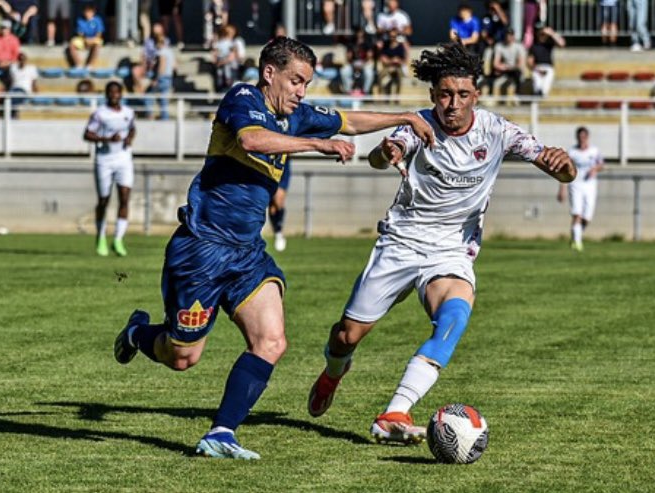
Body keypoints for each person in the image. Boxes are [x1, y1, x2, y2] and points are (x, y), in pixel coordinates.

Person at [112, 36, 434, 460]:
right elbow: (252, 141)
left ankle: (221, 433)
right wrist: (318, 145)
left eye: (307, 83)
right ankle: (138, 332)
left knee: (271, 341)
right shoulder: (242, 98)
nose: (302, 92)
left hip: (246, 253)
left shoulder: (295, 115)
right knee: (182, 357)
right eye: (296, 81)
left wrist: (406, 117)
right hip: (201, 249)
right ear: (270, 74)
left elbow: (347, 121)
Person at [307, 41, 576, 444]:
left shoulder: (498, 130)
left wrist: (564, 165)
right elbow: (383, 156)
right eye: (445, 94)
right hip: (402, 241)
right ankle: (333, 372)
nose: (453, 103)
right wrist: (387, 151)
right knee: (346, 336)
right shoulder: (417, 124)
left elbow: (562, 171)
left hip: (452, 249)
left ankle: (395, 410)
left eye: (462, 95)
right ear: (433, 95)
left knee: (453, 319)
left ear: (476, 96)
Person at [83, 81, 136, 257]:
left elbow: (132, 129)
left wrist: (129, 138)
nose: (114, 95)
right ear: (106, 94)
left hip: (124, 159)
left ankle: (118, 239)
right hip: (104, 160)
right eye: (111, 92)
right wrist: (106, 139)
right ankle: (100, 236)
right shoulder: (100, 114)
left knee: (124, 197)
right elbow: (87, 134)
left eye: (117, 92)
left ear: (121, 94)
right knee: (104, 200)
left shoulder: (128, 112)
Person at [557, 127, 603, 252]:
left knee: (587, 217)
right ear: (577, 138)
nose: (581, 139)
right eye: (579, 137)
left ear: (587, 137)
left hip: (590, 186)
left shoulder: (594, 151)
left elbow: (601, 164)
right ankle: (577, 243)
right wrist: (562, 189)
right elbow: (564, 171)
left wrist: (594, 169)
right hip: (575, 185)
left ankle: (576, 235)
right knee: (577, 213)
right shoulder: (572, 152)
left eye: (584, 137)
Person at [527, 22, 564, 97]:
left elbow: (562, 44)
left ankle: (541, 93)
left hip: (548, 67)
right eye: (540, 33)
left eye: (543, 33)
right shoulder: (534, 46)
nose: (542, 35)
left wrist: (552, 33)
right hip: (537, 68)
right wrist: (537, 70)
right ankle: (539, 92)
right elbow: (530, 62)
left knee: (548, 77)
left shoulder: (549, 43)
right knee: (537, 80)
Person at [145, 33, 173, 120]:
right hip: (169, 78)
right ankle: (165, 118)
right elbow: (175, 66)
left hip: (162, 78)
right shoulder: (170, 52)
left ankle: (150, 115)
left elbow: (162, 66)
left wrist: (156, 79)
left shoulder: (161, 52)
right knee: (163, 100)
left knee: (149, 96)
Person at [68, 3, 105, 69]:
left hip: (94, 39)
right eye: (86, 11)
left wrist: (93, 40)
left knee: (97, 45)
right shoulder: (80, 20)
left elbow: (99, 33)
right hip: (83, 39)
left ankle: (89, 65)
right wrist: (85, 40)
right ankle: (78, 65)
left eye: (90, 11)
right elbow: (80, 33)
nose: (88, 13)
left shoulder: (97, 20)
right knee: (72, 44)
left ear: (93, 12)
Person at [491, 28, 525, 98]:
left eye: (511, 35)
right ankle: (493, 98)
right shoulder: (499, 46)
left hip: (515, 71)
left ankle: (517, 96)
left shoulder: (519, 46)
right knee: (494, 77)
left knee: (518, 74)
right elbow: (495, 64)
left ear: (513, 36)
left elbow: (520, 64)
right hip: (505, 70)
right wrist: (503, 67)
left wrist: (509, 67)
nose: (509, 37)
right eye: (507, 35)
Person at [0, 19, 21, 87]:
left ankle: (13, 88)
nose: (4, 30)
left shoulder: (14, 40)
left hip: (10, 63)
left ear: (9, 29)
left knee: (14, 68)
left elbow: (16, 56)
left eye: (6, 28)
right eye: (2, 28)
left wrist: (8, 63)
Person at [268, 159, 291, 252]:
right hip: (266, 162)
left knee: (278, 200)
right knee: (271, 205)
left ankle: (279, 232)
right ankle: (277, 232)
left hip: (282, 163)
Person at [9, 51, 38, 117]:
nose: (22, 61)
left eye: (23, 59)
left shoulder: (31, 68)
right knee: (13, 94)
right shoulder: (13, 68)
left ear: (26, 60)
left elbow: (34, 82)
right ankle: (14, 112)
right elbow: (12, 80)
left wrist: (35, 92)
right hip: (14, 90)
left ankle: (14, 113)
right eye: (20, 59)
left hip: (25, 90)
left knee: (17, 94)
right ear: (18, 60)